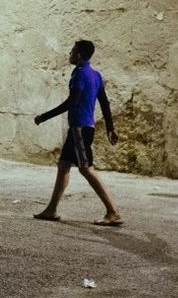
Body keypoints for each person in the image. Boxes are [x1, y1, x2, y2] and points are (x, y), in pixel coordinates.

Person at [32, 39, 123, 227]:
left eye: (72, 51)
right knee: (64, 165)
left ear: (79, 55)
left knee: (86, 168)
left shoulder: (79, 74)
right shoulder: (96, 75)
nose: (70, 54)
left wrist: (44, 117)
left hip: (80, 128)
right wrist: (110, 127)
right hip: (83, 127)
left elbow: (71, 102)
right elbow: (104, 102)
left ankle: (112, 211)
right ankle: (51, 210)